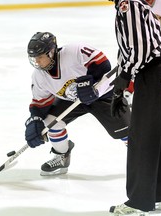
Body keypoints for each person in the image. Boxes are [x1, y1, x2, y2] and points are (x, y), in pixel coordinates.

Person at [24, 32, 130, 176]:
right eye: (34, 58)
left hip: (103, 96)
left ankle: (140, 158)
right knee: (50, 121)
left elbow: (102, 63)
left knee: (126, 132)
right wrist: (34, 120)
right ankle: (62, 155)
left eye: (40, 57)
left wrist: (91, 83)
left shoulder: (74, 52)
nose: (37, 62)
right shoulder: (39, 77)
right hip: (73, 100)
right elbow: (40, 104)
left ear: (51, 52)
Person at [108, 0, 161, 215]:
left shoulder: (130, 5)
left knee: (142, 138)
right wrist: (121, 85)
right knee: (156, 137)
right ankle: (158, 196)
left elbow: (141, 47)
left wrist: (125, 77)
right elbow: (129, 49)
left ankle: (139, 202)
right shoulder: (135, 6)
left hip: (154, 74)